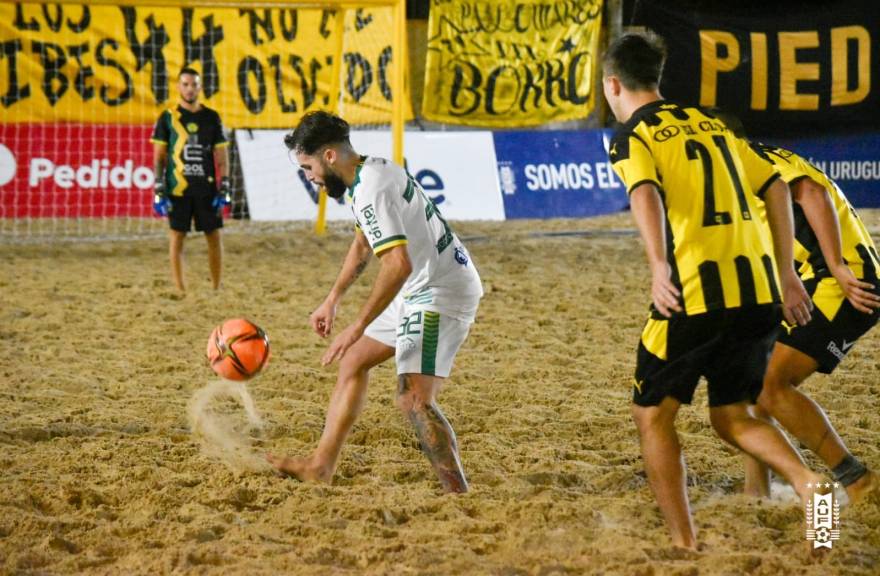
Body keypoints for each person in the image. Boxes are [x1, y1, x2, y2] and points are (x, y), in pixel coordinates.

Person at [602, 31, 824, 549]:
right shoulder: (711, 123)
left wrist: (659, 264)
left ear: (614, 85)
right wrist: (788, 272)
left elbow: (645, 193)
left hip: (695, 293)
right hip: (759, 292)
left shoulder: (635, 135)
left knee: (652, 415)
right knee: (731, 415)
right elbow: (775, 186)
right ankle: (810, 483)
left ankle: (684, 542)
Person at [267, 111, 483, 493]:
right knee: (353, 362)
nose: (309, 176)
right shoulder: (367, 173)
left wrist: (358, 325)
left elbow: (398, 265)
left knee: (413, 400)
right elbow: (363, 243)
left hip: (439, 291)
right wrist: (332, 299)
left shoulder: (372, 188)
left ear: (329, 156)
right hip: (419, 286)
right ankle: (320, 466)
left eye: (308, 166)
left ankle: (459, 495)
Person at [736, 139, 880, 503]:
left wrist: (836, 266)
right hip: (816, 279)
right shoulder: (753, 157)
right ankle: (758, 494)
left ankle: (857, 480)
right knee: (750, 378)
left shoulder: (743, 160)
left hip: (844, 283)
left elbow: (812, 192)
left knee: (772, 384)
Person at [151, 67, 231, 293]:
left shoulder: (211, 117)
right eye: (185, 84)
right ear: (178, 87)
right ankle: (180, 290)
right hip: (178, 189)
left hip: (206, 189)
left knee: (214, 236)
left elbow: (222, 158)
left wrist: (224, 186)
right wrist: (159, 189)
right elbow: (159, 157)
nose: (189, 88)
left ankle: (217, 287)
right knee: (177, 237)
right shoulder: (167, 117)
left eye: (194, 84)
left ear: (200, 87)